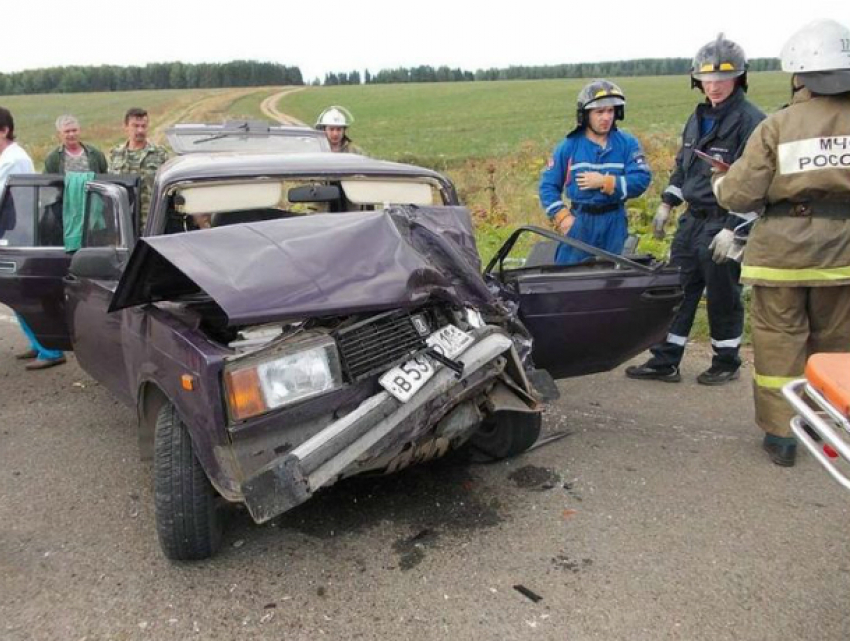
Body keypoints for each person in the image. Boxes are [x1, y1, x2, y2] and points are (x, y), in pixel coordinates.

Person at [712, 19, 850, 467]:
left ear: (799, 74)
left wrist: (719, 184)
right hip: (843, 257)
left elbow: (740, 194)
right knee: (837, 345)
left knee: (778, 345)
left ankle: (783, 436)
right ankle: (831, 430)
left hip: (781, 260)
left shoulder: (778, 126)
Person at [625, 34, 765, 385]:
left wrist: (735, 229)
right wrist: (667, 203)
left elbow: (757, 181)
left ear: (739, 79)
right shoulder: (698, 117)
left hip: (723, 221)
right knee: (678, 289)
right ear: (697, 80)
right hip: (692, 222)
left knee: (722, 294)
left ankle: (727, 360)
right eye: (707, 79)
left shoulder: (752, 122)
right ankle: (666, 359)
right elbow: (683, 166)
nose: (714, 86)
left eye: (722, 79)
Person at [538, 79, 651, 265]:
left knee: (612, 280)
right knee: (569, 278)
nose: (606, 117)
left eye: (610, 111)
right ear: (586, 115)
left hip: (614, 222)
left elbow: (641, 179)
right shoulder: (568, 147)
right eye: (599, 112)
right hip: (580, 222)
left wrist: (606, 182)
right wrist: (563, 217)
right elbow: (547, 187)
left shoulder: (628, 144)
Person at [0, 107, 66, 370]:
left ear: (4, 130)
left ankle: (50, 349)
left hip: (17, 232)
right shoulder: (8, 156)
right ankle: (40, 342)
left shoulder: (12, 160)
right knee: (15, 291)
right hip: (14, 229)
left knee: (22, 291)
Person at [108, 107, 169, 228]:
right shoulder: (115, 154)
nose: (140, 130)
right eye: (135, 126)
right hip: (123, 222)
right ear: (126, 127)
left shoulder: (159, 154)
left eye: (143, 126)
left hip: (151, 222)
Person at [43, 115, 108, 174]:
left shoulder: (96, 154)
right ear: (59, 134)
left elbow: (105, 178)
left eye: (74, 130)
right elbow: (47, 183)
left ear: (80, 131)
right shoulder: (53, 158)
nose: (71, 134)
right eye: (67, 131)